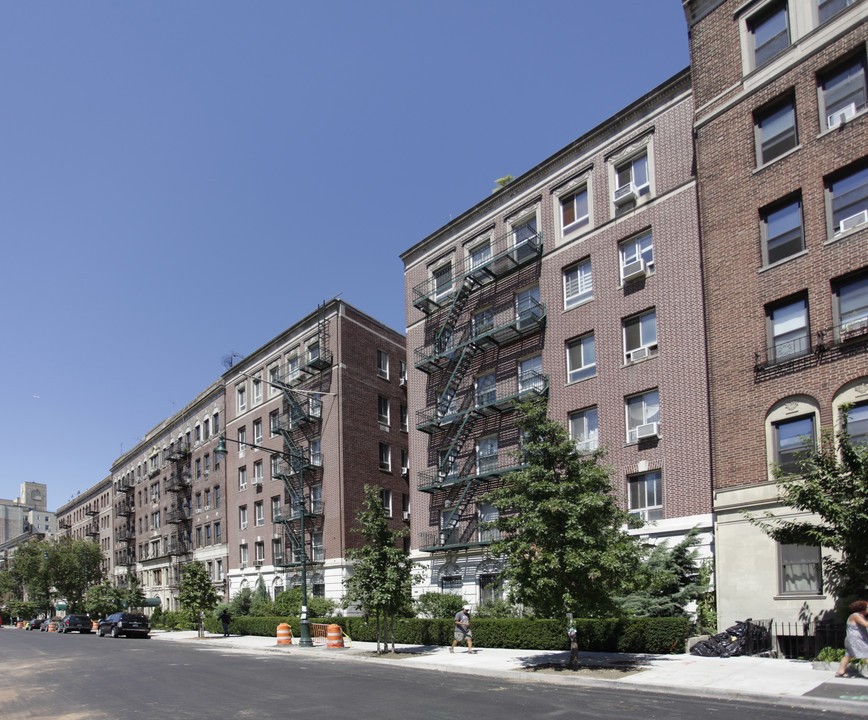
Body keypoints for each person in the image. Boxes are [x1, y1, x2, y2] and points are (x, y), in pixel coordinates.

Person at [836, 600, 868, 677]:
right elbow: (866, 624)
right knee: (867, 654)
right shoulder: (856, 616)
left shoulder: (861, 616)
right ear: (863, 608)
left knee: (849, 654)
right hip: (856, 639)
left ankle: (840, 671)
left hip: (854, 639)